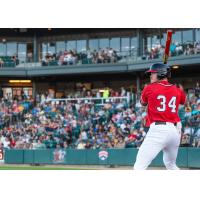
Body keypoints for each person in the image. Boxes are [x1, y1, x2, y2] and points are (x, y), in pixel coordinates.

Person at [134, 63, 186, 170]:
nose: (150, 76)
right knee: (171, 165)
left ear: (160, 74)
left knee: (139, 166)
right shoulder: (177, 89)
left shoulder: (149, 88)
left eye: (152, 73)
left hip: (158, 129)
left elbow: (143, 103)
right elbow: (183, 101)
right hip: (175, 131)